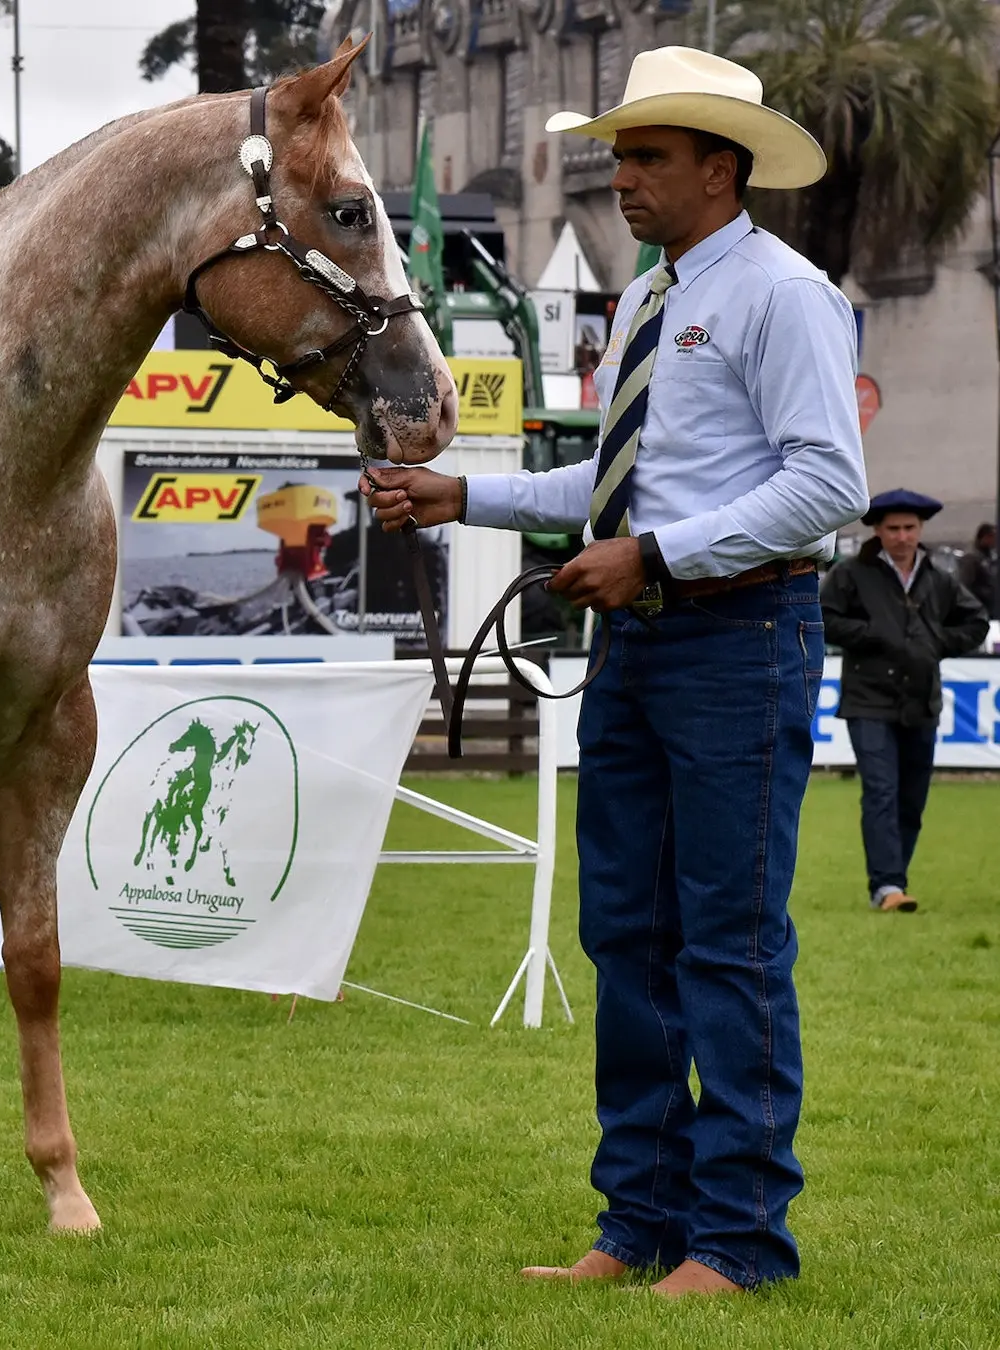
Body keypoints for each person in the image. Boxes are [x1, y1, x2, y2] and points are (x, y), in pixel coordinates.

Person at [362, 47, 867, 1297]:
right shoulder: (650, 298)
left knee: (731, 940)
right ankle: (638, 1224)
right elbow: (609, 487)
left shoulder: (783, 294)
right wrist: (462, 493)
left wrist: (652, 552)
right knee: (627, 934)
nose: (621, 176)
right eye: (620, 154)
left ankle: (741, 1242)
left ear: (720, 167)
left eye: (646, 157)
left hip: (742, 639)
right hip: (647, 640)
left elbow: (829, 485)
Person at [820, 490, 989, 912]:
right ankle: (888, 887)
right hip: (868, 700)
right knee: (880, 791)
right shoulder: (851, 574)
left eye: (909, 527)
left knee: (912, 798)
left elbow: (977, 622)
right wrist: (873, 635)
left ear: (920, 529)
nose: (901, 536)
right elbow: (824, 618)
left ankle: (894, 880)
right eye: (893, 528)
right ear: (877, 530)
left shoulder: (939, 575)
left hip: (921, 700)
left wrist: (935, 644)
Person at [958, 522, 997, 620]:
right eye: (993, 537)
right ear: (985, 537)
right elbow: (965, 585)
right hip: (979, 608)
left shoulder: (989, 555)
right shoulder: (971, 558)